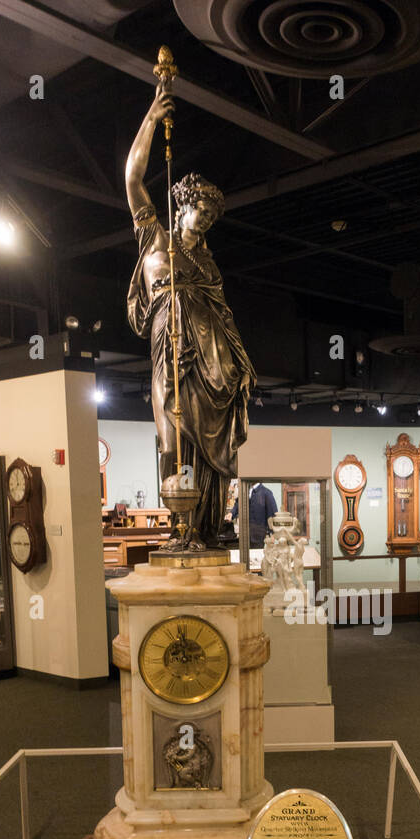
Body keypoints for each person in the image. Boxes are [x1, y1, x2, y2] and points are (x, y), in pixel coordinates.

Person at [125, 88, 255, 548]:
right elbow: (133, 177)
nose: (204, 220)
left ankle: (204, 530)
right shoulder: (155, 240)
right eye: (200, 210)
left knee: (210, 453)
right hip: (170, 354)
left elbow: (224, 317)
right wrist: (150, 117)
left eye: (211, 217)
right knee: (173, 438)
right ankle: (180, 526)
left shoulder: (209, 267)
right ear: (183, 206)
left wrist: (241, 366)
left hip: (212, 365)